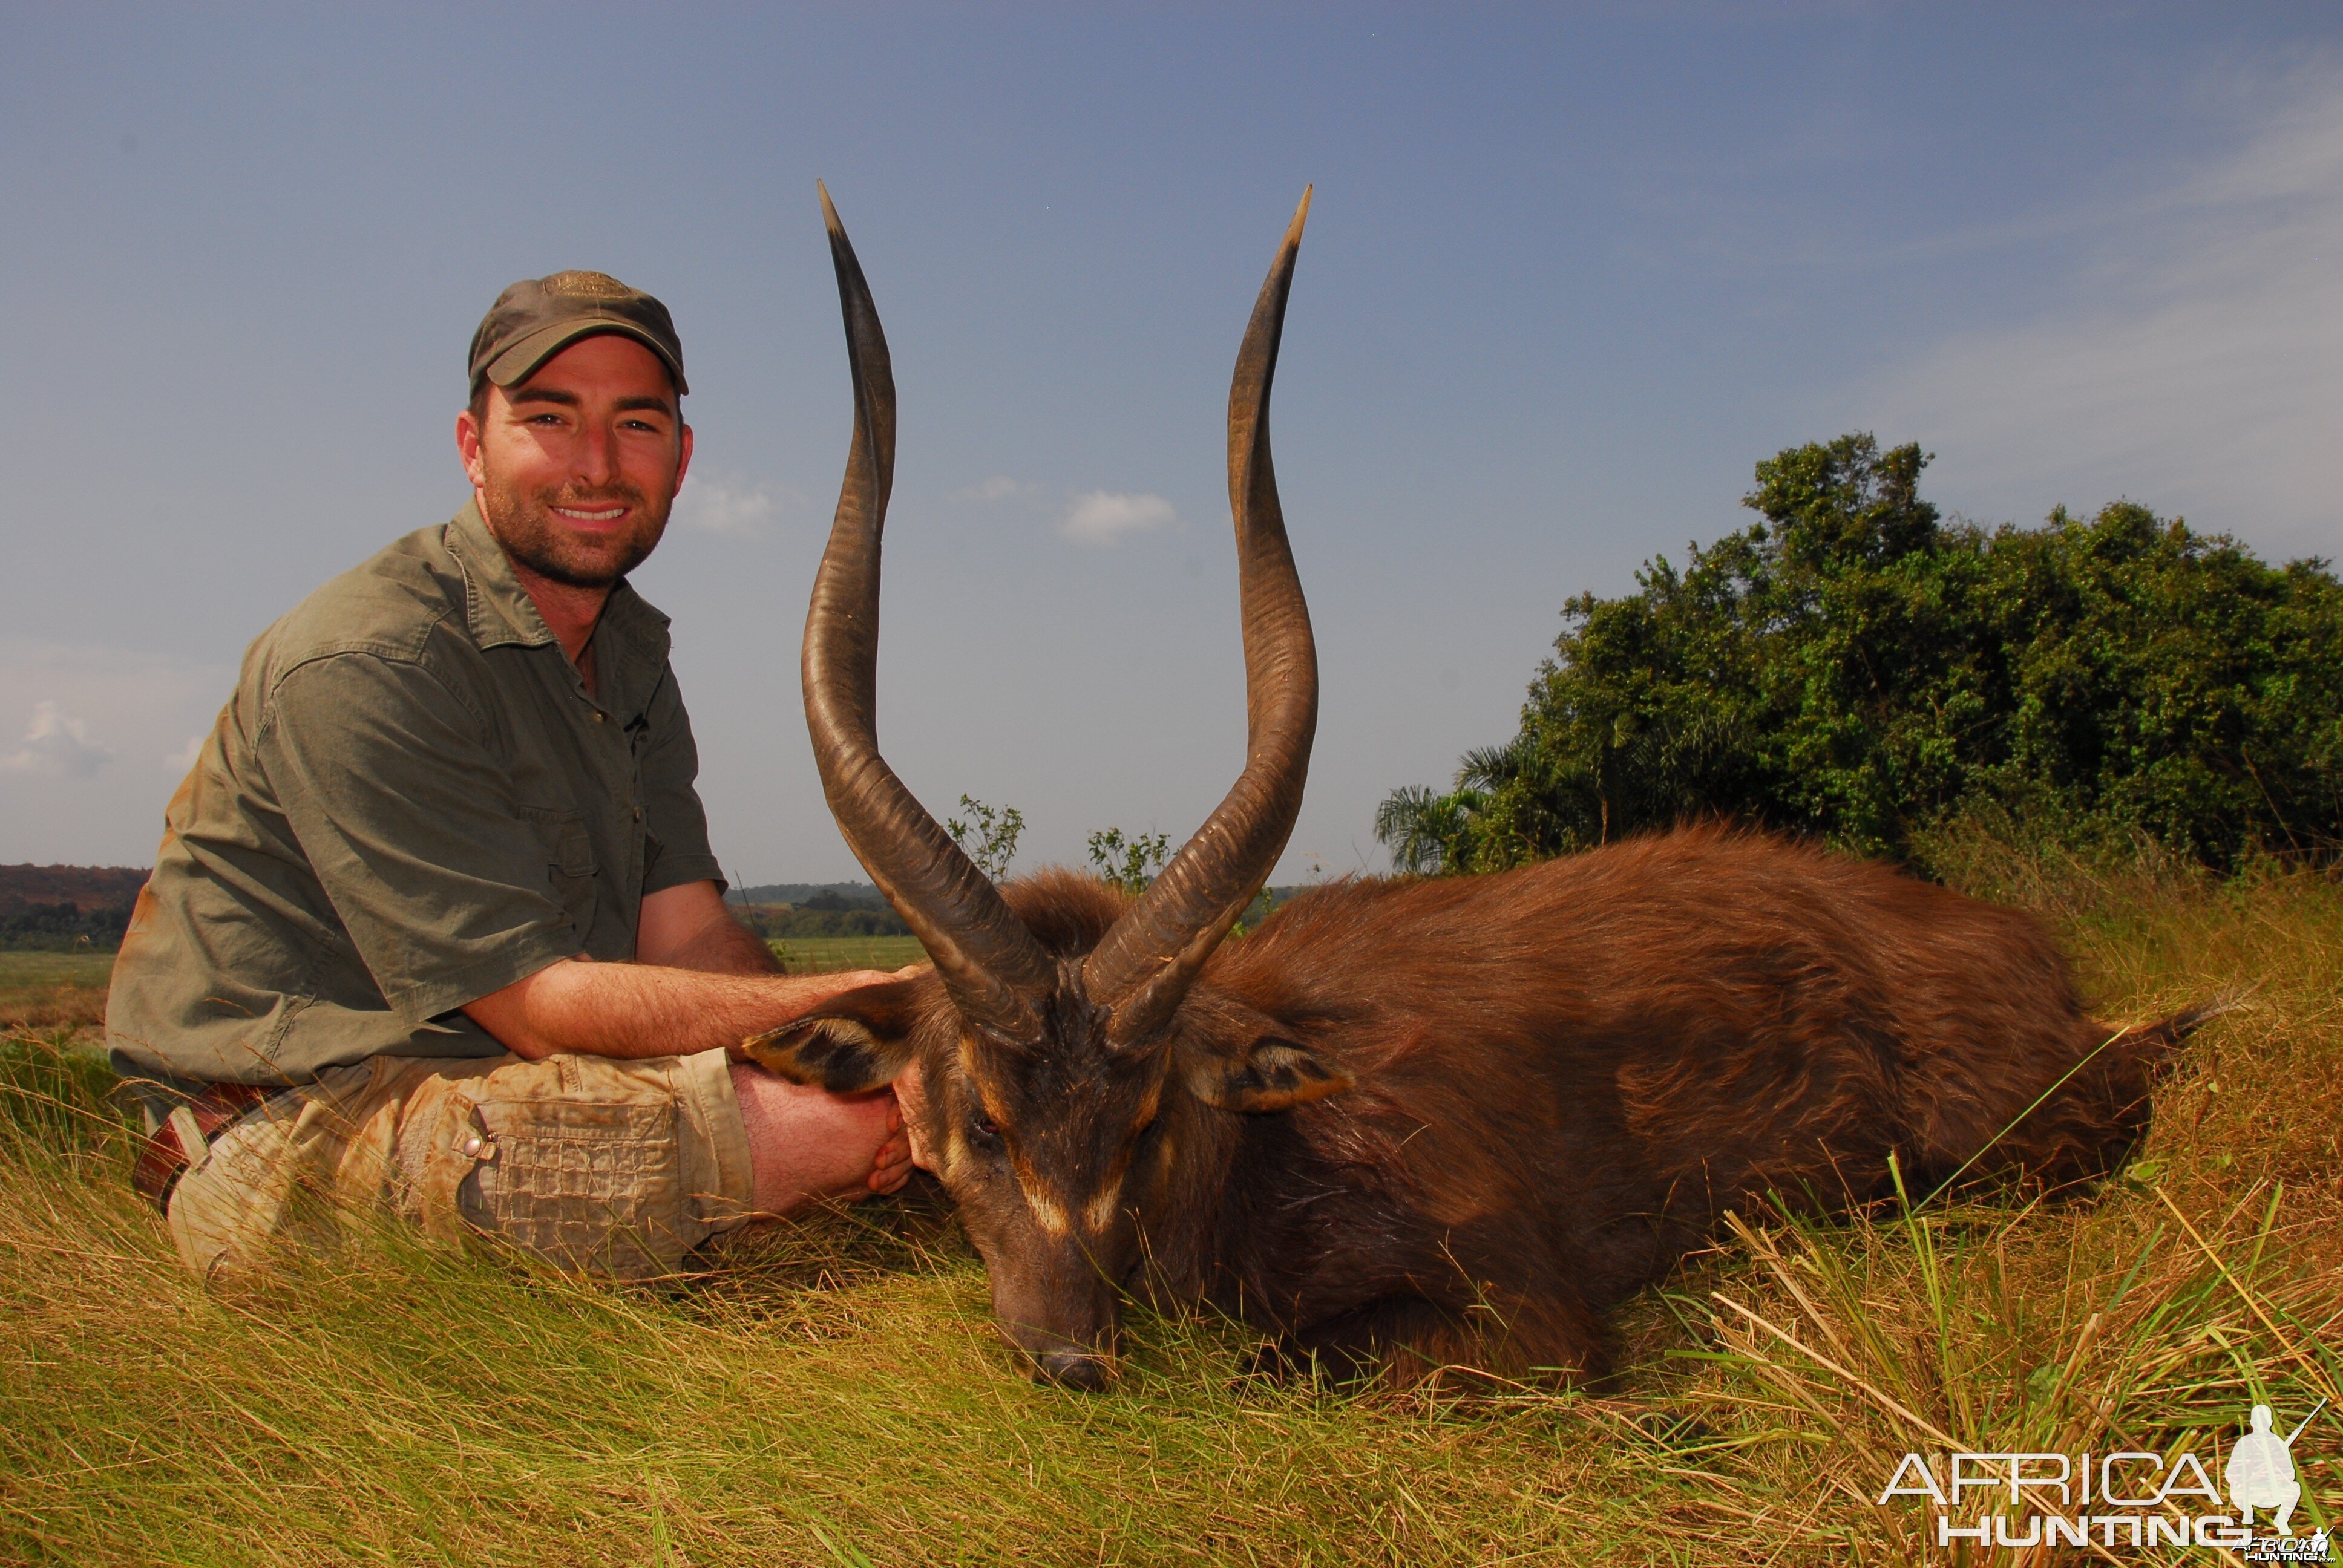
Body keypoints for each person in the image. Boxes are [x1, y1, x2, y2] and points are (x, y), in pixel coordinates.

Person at [106, 269, 919, 1282]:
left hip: (512, 1079)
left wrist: (833, 1051)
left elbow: (691, 936)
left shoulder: (625, 654)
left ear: (681, 456)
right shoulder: (367, 657)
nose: (595, 464)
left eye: (636, 423)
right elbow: (538, 1003)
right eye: (547, 417)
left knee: (870, 1105)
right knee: (820, 1135)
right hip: (295, 1128)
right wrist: (889, 1002)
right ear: (471, 446)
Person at [2226, 1403, 2302, 1534]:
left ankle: (2281, 1521)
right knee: (2236, 1489)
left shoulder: (2278, 1443)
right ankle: (2248, 1514)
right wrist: (2247, 1478)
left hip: (2272, 1491)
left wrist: (2273, 1472)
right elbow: (2231, 1473)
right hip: (2248, 1493)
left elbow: (2290, 1473)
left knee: (2295, 1488)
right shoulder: (2245, 1443)